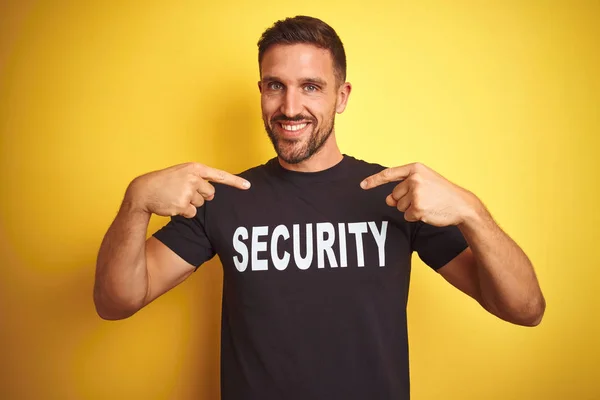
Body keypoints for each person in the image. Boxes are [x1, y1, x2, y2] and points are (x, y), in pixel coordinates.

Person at [93, 15, 545, 400]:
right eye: (276, 86)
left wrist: (472, 212)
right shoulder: (224, 196)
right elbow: (117, 301)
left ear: (341, 96)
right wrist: (135, 202)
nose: (290, 107)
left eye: (311, 86)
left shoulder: (397, 195)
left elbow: (525, 309)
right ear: (262, 91)